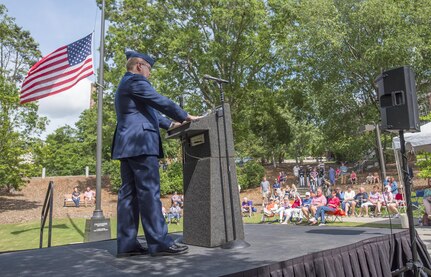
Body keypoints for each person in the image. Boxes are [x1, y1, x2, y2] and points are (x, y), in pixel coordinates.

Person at [111, 50, 199, 257]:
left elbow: (148, 112)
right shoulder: (135, 81)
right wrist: (185, 116)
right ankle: (159, 242)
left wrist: (169, 123)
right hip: (141, 144)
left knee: (129, 196)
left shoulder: (125, 84)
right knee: (149, 192)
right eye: (149, 69)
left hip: (127, 144)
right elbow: (159, 101)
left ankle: (127, 244)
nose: (150, 73)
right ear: (140, 66)